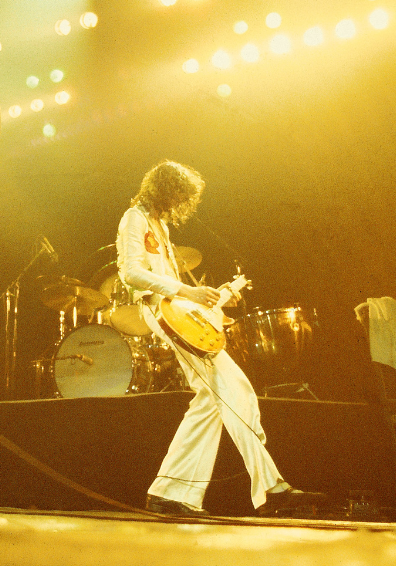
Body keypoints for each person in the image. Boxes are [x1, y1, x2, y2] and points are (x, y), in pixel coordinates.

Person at [117, 160, 324, 517]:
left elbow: (177, 292)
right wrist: (188, 292)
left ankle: (170, 493)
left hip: (177, 313)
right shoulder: (134, 218)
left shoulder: (161, 225)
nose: (182, 201)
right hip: (160, 313)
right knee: (235, 390)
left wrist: (215, 301)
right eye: (179, 193)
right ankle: (271, 488)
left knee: (211, 401)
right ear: (164, 189)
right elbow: (131, 274)